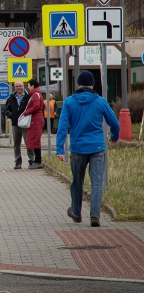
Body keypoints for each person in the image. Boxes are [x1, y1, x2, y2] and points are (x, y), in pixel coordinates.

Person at [57, 71, 120, 227]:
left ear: (78, 85)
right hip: (97, 147)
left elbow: (62, 126)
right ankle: (95, 216)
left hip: (78, 148)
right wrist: (114, 136)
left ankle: (76, 213)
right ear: (92, 85)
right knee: (97, 183)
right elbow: (115, 124)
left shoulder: (69, 102)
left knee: (77, 182)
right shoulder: (101, 102)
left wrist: (60, 148)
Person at [4, 80, 32, 169]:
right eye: (17, 86)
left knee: (28, 142)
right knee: (16, 143)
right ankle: (17, 161)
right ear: (14, 87)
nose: (19, 88)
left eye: (20, 86)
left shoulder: (28, 97)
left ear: (23, 86)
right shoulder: (11, 97)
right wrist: (11, 116)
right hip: (15, 123)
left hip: (26, 123)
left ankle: (31, 160)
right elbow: (6, 109)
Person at [21, 79, 45, 169]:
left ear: (33, 86)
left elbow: (36, 106)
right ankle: (36, 160)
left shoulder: (36, 95)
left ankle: (38, 161)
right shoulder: (36, 94)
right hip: (34, 120)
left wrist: (26, 112)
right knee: (33, 139)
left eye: (29, 85)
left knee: (35, 140)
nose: (28, 87)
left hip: (36, 120)